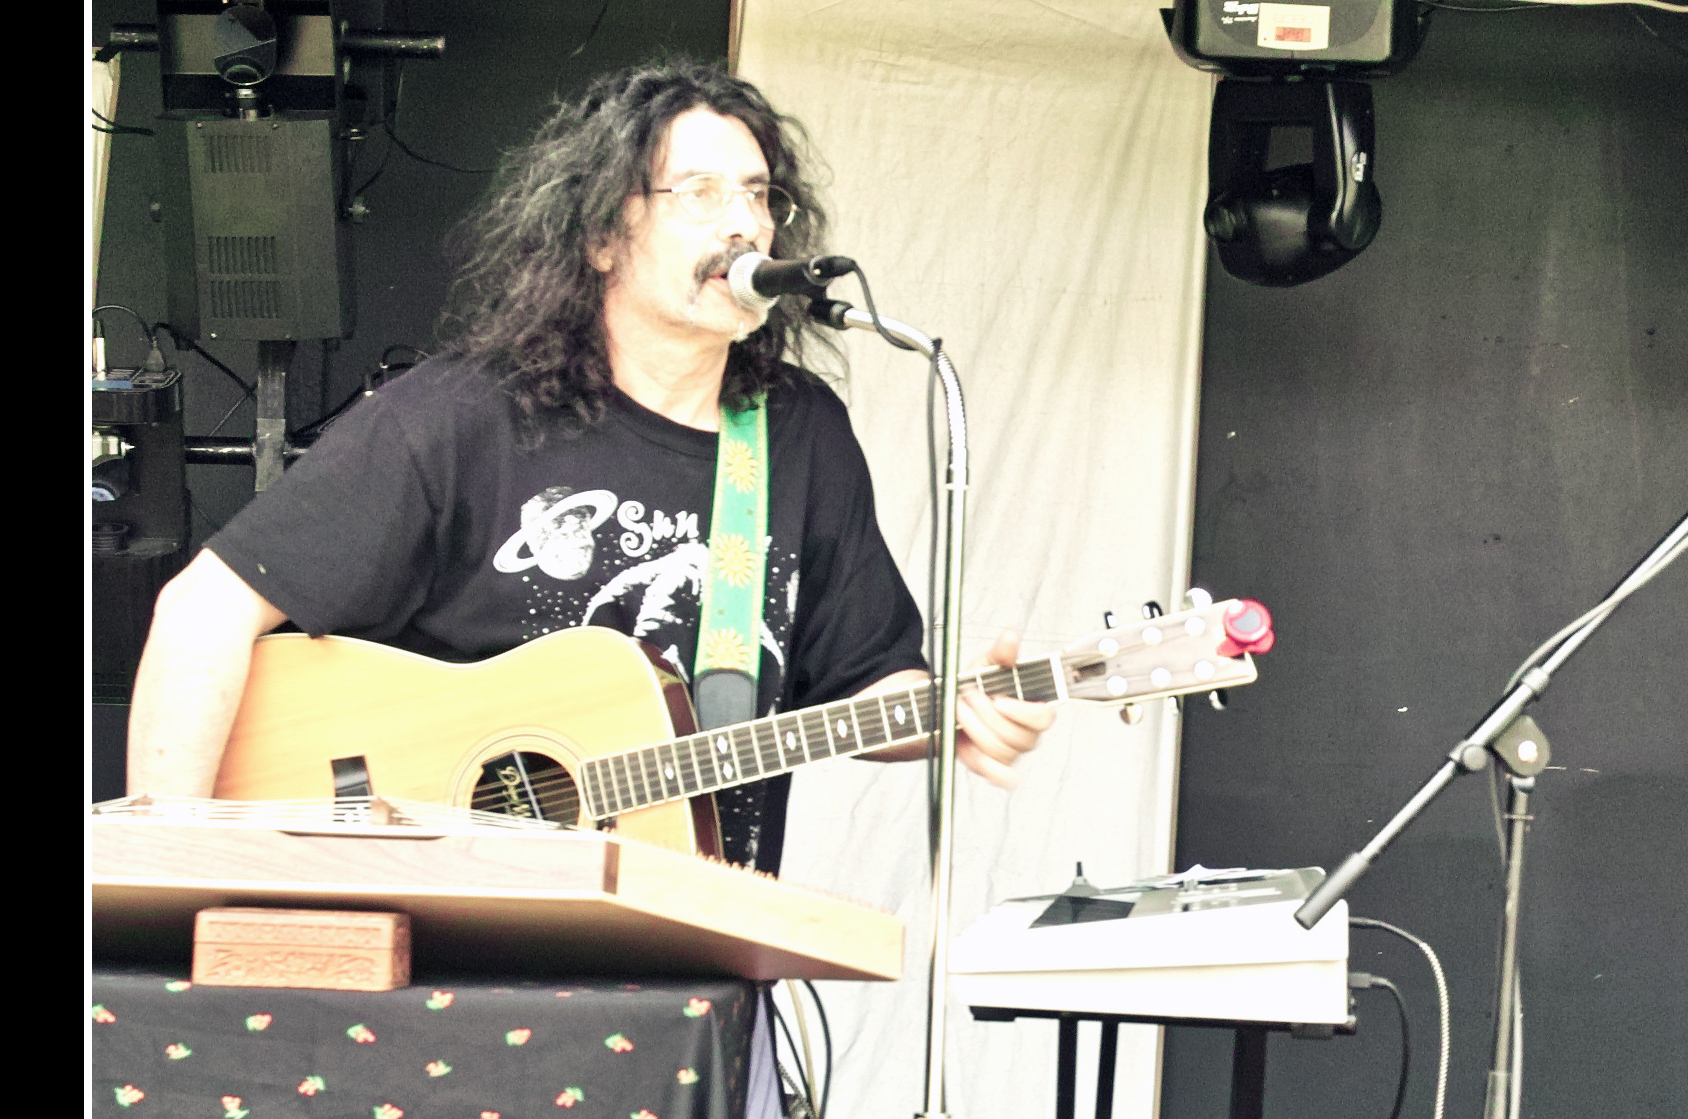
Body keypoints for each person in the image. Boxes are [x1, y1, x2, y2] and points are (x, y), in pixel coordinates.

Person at [126, 59, 1054, 871]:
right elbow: (204, 611)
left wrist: (959, 709)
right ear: (603, 235)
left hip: (687, 956)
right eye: (700, 193)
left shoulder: (799, 435)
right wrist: (170, 867)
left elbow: (862, 682)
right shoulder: (465, 414)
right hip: (441, 945)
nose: (744, 225)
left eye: (758, 194)